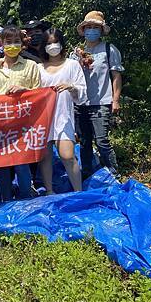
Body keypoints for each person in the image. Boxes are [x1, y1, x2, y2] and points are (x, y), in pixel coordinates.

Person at [0, 26, 41, 201]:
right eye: (8, 42)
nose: (12, 46)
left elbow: (39, 93)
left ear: (22, 44)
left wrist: (25, 90)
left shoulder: (31, 66)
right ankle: (5, 197)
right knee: (2, 162)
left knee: (22, 162)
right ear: (2, 43)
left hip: (23, 122)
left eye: (16, 42)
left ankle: (25, 197)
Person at [71, 11, 124, 178]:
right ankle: (87, 173)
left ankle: (113, 172)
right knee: (85, 141)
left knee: (102, 140)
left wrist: (115, 100)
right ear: (83, 30)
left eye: (96, 27)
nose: (92, 30)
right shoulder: (76, 52)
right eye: (89, 27)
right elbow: (70, 75)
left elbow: (116, 75)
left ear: (101, 31)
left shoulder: (109, 49)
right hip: (81, 103)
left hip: (102, 101)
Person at [38, 28, 86, 194]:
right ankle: (49, 191)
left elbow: (82, 91)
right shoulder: (38, 68)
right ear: (44, 46)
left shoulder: (72, 65)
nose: (53, 46)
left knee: (67, 156)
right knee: (45, 157)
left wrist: (71, 87)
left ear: (61, 44)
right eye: (49, 43)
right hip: (43, 118)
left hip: (63, 116)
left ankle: (78, 191)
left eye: (55, 42)